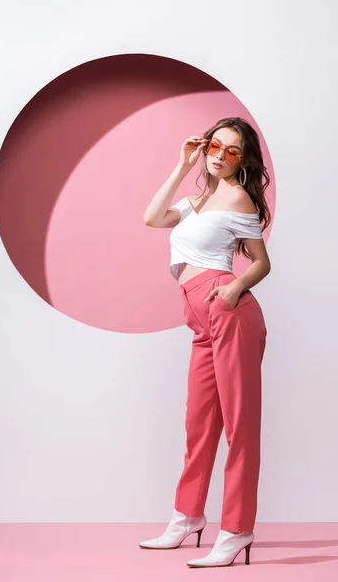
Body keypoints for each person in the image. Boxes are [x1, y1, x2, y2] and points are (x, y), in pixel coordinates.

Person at [139, 116, 271, 568]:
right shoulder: (197, 199)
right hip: (199, 320)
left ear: (243, 159)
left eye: (231, 151)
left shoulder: (238, 198)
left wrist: (235, 288)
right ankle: (187, 517)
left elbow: (260, 261)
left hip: (229, 311)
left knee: (239, 427)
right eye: (215, 146)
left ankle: (236, 530)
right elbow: (152, 217)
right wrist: (182, 163)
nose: (219, 155)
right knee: (199, 425)